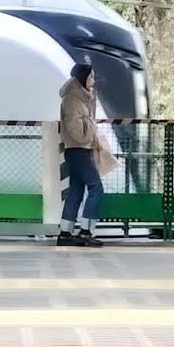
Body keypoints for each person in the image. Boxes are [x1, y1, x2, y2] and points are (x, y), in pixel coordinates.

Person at [58, 63, 105, 247]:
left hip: (76, 150)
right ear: (82, 78)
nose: (93, 81)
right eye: (91, 77)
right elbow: (77, 132)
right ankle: (85, 230)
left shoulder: (80, 98)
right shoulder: (72, 100)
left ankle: (65, 232)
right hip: (78, 150)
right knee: (96, 188)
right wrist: (92, 124)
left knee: (76, 192)